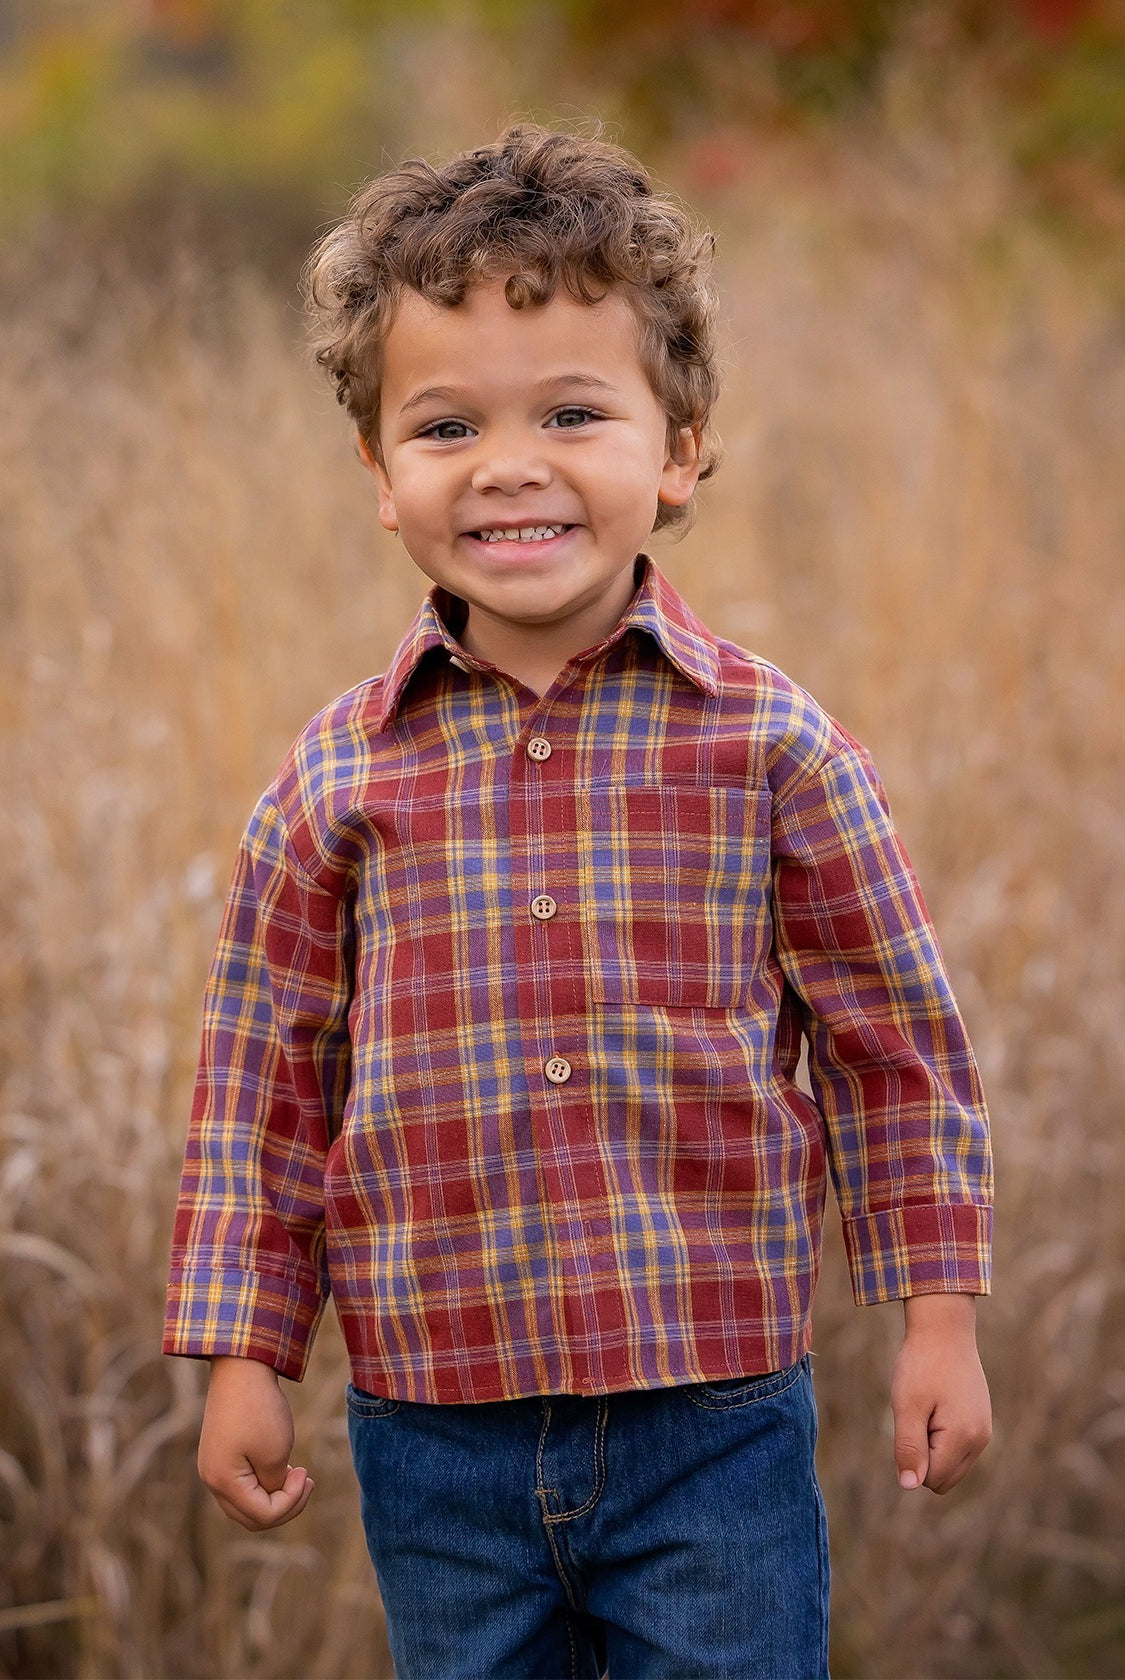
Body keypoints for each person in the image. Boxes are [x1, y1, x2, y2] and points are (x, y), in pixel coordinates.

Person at [164, 124, 993, 1680]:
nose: (508, 463)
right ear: (381, 476)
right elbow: (264, 1084)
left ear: (675, 449)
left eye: (570, 411)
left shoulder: (772, 747)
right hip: (432, 1427)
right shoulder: (334, 780)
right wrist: (243, 1353)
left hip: (712, 1419)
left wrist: (936, 1320)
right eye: (444, 425)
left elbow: (894, 1047)